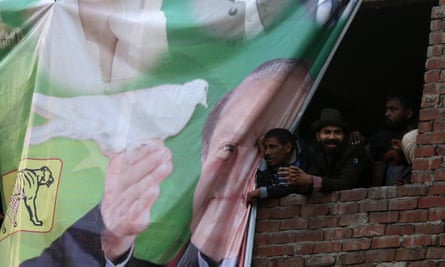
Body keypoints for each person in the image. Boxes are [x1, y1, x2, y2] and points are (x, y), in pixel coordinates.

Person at [19, 58, 314, 267]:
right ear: (203, 153)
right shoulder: (135, 258)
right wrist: (111, 239)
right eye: (229, 147)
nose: (241, 174)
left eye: (268, 153)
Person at [279, 108, 371, 193]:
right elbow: (314, 182)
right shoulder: (316, 153)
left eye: (337, 132)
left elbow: (347, 184)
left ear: (344, 135)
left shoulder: (355, 151)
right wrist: (299, 181)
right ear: (318, 136)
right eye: (327, 132)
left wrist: (310, 179)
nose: (332, 137)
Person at [369, 93, 418, 186]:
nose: (387, 114)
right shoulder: (379, 138)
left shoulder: (415, 139)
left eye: (393, 109)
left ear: (408, 113)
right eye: (386, 109)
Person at [245, 128, 305, 204]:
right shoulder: (274, 163)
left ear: (287, 147)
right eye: (266, 148)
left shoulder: (305, 157)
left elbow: (298, 186)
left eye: (272, 147)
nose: (267, 152)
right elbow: (263, 185)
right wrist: (262, 158)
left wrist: (264, 191)